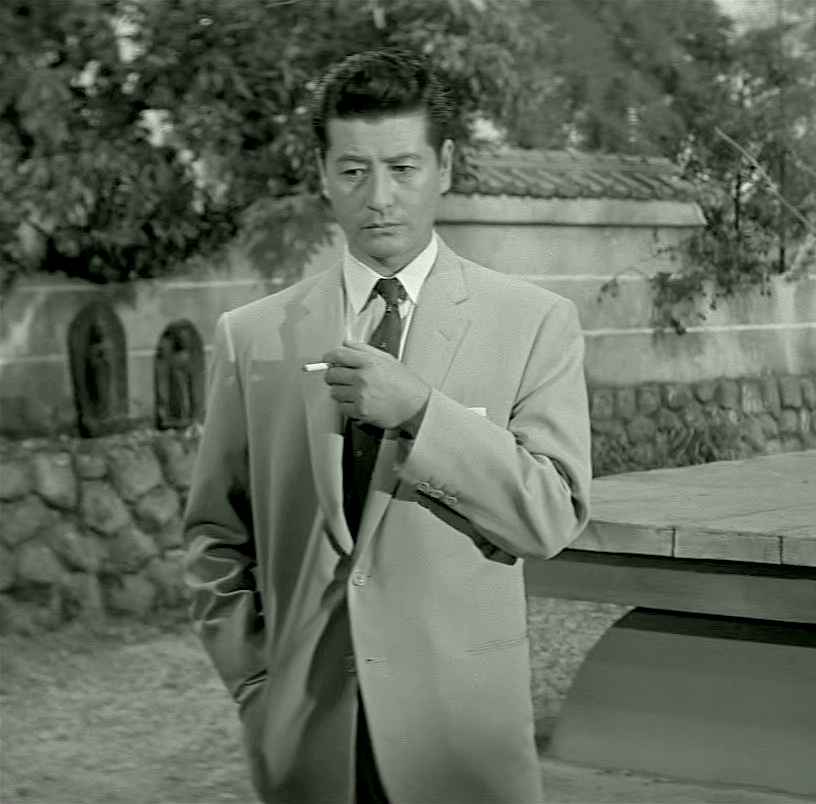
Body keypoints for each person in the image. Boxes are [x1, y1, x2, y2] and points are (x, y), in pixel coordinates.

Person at [182, 48, 593, 804]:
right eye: (353, 171)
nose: (379, 198)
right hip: (309, 742)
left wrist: (422, 413)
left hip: (461, 741)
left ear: (446, 167)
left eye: (403, 169)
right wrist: (256, 685)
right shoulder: (253, 336)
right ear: (322, 174)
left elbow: (550, 515)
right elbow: (215, 535)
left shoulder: (534, 321)